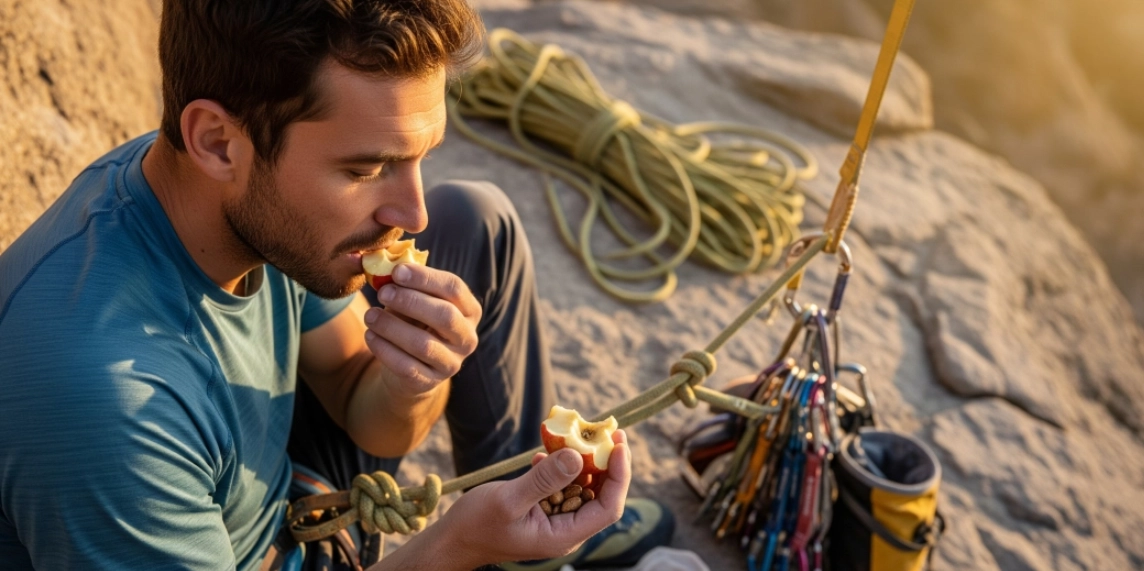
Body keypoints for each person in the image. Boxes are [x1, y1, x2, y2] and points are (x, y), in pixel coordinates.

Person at [0, 1, 674, 569]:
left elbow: (362, 402)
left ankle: (538, 537)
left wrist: (417, 374)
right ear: (217, 142)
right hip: (232, 540)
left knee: (478, 222)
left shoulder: (240, 206)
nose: (413, 213)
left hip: (288, 492)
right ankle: (515, 542)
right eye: (365, 169)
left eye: (419, 158)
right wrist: (457, 541)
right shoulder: (104, 400)